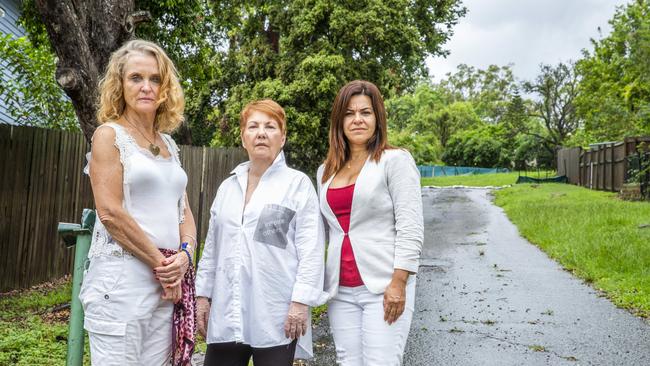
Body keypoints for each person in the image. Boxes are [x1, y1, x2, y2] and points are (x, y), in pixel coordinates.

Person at [80, 39, 196, 365]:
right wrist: (165, 266)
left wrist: (186, 255)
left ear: (165, 88)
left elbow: (183, 212)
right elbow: (110, 213)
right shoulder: (109, 135)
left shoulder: (169, 144)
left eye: (155, 79)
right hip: (122, 285)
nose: (146, 87)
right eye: (135, 78)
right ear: (120, 84)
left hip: (164, 286)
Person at [195, 99, 326, 366]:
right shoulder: (227, 187)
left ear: (283, 137)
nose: (262, 133)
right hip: (227, 309)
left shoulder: (297, 185)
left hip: (275, 313)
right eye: (253, 126)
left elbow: (311, 249)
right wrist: (202, 296)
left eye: (270, 126)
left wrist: (300, 303)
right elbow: (211, 248)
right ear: (243, 138)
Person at [317, 80, 424, 365]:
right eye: (349, 113)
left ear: (378, 117)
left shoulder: (395, 161)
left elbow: (410, 226)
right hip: (340, 290)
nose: (357, 120)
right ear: (339, 121)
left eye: (365, 112)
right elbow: (322, 232)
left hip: (384, 285)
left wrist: (399, 282)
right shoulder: (325, 172)